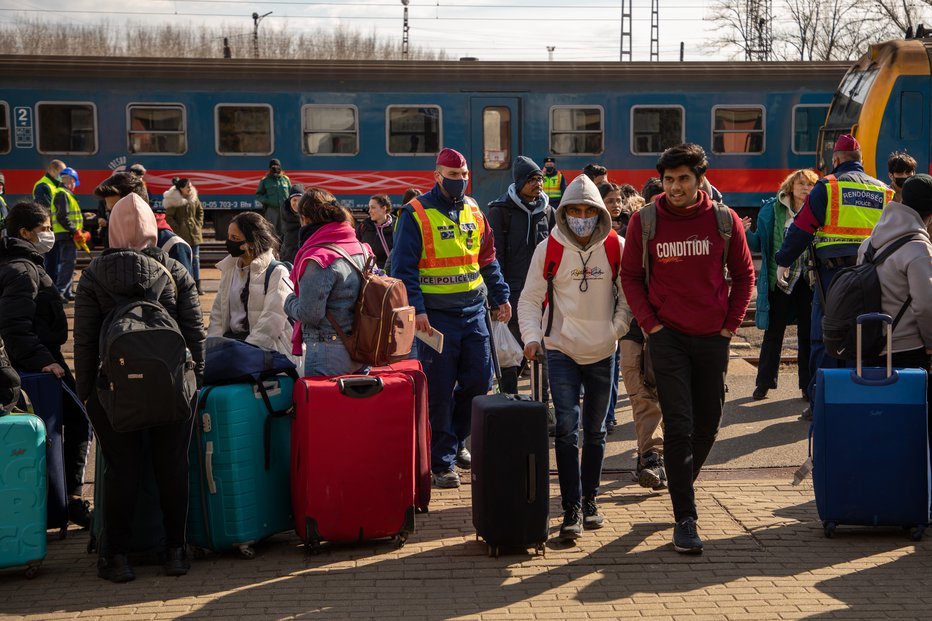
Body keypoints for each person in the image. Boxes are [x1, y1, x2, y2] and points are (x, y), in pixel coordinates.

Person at [620, 143, 754, 554]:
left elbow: (744, 275)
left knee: (709, 423)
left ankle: (680, 483)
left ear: (700, 180)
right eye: (668, 179)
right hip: (668, 338)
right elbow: (630, 278)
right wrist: (652, 326)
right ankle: (686, 518)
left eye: (683, 179)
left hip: (713, 337)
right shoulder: (645, 222)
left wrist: (729, 328)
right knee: (678, 425)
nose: (674, 187)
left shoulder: (723, 220)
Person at [74, 192, 205, 583]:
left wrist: (87, 393)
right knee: (172, 466)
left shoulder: (94, 274)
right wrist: (194, 379)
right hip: (171, 387)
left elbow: (83, 340)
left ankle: (117, 558)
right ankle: (175, 552)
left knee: (120, 470)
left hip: (114, 389)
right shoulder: (174, 271)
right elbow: (194, 332)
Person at [518, 174, 631, 539]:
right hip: (561, 349)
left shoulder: (617, 246)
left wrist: (614, 330)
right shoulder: (547, 249)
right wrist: (533, 337)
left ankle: (591, 498)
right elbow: (530, 299)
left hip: (603, 351)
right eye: (575, 210)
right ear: (564, 213)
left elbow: (628, 297)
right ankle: (571, 508)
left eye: (588, 210)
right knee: (567, 430)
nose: (582, 216)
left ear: (599, 213)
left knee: (596, 431)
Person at [392, 147, 510, 489]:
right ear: (437, 176)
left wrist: (501, 295)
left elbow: (486, 259)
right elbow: (403, 270)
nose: (459, 182)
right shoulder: (415, 214)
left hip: (473, 312)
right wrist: (419, 312)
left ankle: (455, 441)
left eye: (464, 176)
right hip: (436, 319)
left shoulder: (475, 210)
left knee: (478, 382)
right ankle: (442, 462)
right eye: (453, 176)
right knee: (440, 391)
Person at [774, 135, 892, 413]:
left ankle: (823, 405)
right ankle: (862, 400)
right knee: (866, 334)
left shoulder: (828, 186)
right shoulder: (884, 190)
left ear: (836, 160)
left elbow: (803, 228)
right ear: (860, 160)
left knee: (825, 337)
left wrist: (783, 260)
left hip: (833, 277)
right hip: (873, 275)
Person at [0, 200, 92, 527]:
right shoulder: (22, 270)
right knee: (78, 420)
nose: (50, 234)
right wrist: (44, 362)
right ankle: (71, 498)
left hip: (37, 358)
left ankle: (64, 498)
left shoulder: (20, 262)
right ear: (25, 232)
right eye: (45, 229)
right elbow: (14, 328)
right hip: (40, 361)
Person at [744, 169, 818, 401]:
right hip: (781, 280)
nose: (805, 188)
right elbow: (759, 243)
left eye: (810, 184)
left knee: (807, 334)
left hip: (807, 280)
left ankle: (807, 386)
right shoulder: (773, 210)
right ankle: (763, 384)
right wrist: (745, 233)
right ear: (791, 186)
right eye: (801, 183)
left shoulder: (818, 209)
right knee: (773, 333)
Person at [487, 156, 553, 395]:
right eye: (532, 179)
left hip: (541, 295)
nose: (538, 184)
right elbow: (493, 258)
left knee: (540, 352)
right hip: (511, 295)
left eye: (540, 179)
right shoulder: (500, 211)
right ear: (520, 182)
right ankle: (509, 402)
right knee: (512, 356)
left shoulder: (547, 211)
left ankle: (541, 405)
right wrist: (497, 298)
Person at [285, 188, 368, 377]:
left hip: (328, 350)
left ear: (304, 219)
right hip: (362, 346)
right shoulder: (360, 248)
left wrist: (288, 301)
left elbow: (309, 314)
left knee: (325, 406)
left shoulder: (318, 259)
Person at [859, 174, 932, 384]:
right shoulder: (918, 248)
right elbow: (926, 306)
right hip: (907, 348)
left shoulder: (869, 244)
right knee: (910, 413)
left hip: (869, 343)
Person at [209, 211, 294, 357]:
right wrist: (216, 346)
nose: (229, 242)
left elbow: (272, 320)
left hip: (264, 352)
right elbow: (218, 313)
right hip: (231, 348)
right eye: (228, 237)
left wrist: (247, 351)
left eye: (234, 238)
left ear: (252, 243)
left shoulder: (277, 272)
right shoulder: (229, 269)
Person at [94, 172, 195, 277]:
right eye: (111, 212)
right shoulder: (116, 240)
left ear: (137, 206)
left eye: (118, 211)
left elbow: (185, 292)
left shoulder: (173, 246)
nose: (114, 218)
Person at [46, 167, 89, 301]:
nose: (74, 186)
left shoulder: (65, 194)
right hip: (66, 234)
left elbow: (67, 214)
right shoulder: (62, 194)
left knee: (70, 263)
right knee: (67, 263)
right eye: (74, 182)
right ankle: (60, 291)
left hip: (67, 234)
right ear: (70, 180)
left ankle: (67, 292)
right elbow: (62, 216)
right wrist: (74, 230)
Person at [163, 177, 205, 294]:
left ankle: (198, 284)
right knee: (184, 260)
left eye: (190, 186)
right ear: (181, 188)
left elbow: (200, 211)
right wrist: (177, 228)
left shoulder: (194, 199)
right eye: (187, 186)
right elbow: (169, 217)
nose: (190, 188)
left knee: (196, 260)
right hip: (181, 235)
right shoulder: (173, 201)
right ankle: (187, 284)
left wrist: (198, 224)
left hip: (194, 233)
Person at [356, 194, 394, 269]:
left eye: (373, 208)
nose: (369, 211)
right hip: (369, 274)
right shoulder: (364, 226)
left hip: (391, 274)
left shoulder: (396, 225)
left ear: (384, 208)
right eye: (369, 208)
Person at [256, 159, 291, 231]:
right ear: (270, 168)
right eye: (273, 166)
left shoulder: (286, 179)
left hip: (284, 210)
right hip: (271, 210)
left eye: (277, 166)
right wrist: (268, 201)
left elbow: (291, 193)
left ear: (280, 167)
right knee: (271, 230)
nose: (275, 167)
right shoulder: (265, 180)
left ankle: (283, 242)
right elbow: (259, 195)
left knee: (285, 230)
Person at [278, 184, 304, 264]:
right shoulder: (285, 215)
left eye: (300, 200)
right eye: (294, 200)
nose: (297, 203)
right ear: (290, 201)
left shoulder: (310, 218)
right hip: (287, 260)